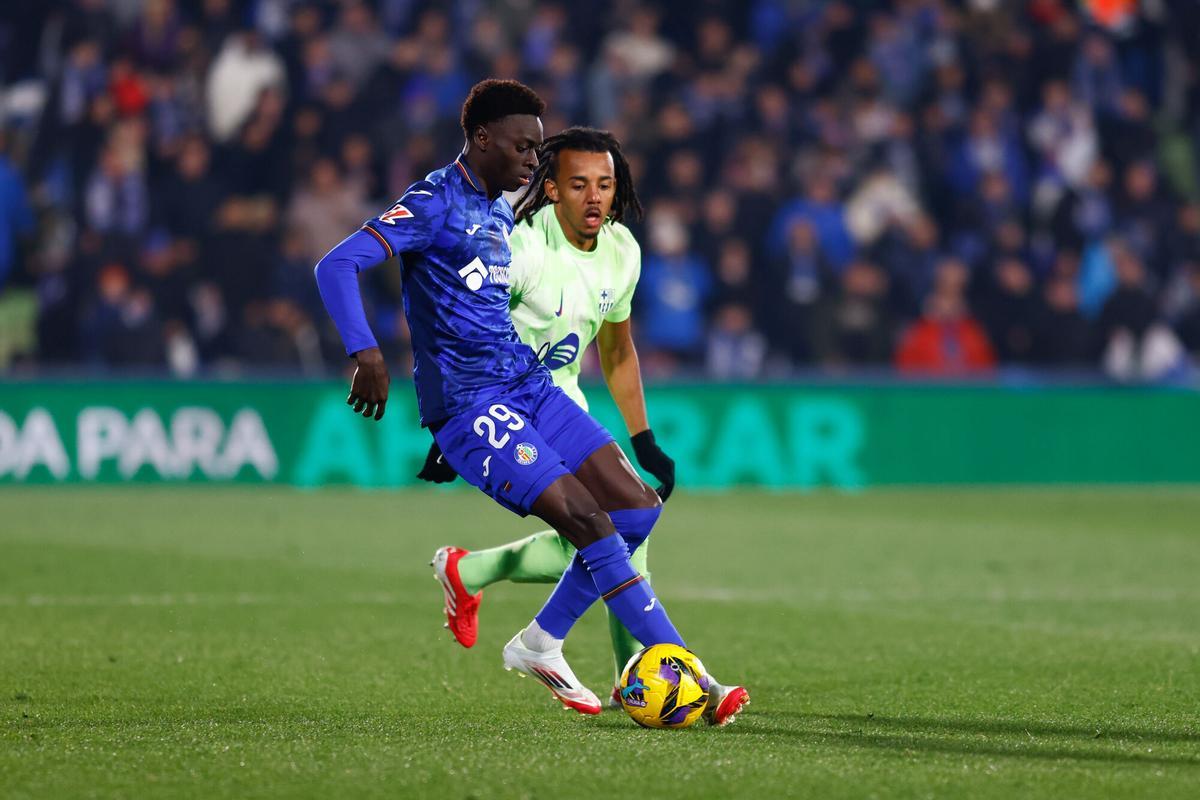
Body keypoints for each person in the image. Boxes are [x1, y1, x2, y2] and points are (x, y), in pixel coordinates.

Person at [313, 81, 746, 724]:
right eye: (522, 146)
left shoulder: (498, 210)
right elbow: (335, 265)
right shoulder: (435, 202)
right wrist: (366, 353)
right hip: (470, 405)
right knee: (587, 522)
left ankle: (540, 641)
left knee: (635, 511)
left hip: (528, 384)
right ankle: (686, 669)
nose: (531, 160)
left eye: (537, 148)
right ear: (480, 139)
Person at [418, 127, 743, 714]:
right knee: (613, 539)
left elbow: (617, 351)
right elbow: (462, 330)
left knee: (613, 533)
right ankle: (663, 672)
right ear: (551, 190)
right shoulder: (520, 249)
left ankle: (474, 576)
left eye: (606, 184)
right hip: (505, 409)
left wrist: (643, 438)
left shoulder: (623, 251)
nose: (595, 197)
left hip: (563, 406)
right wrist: (453, 423)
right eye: (579, 184)